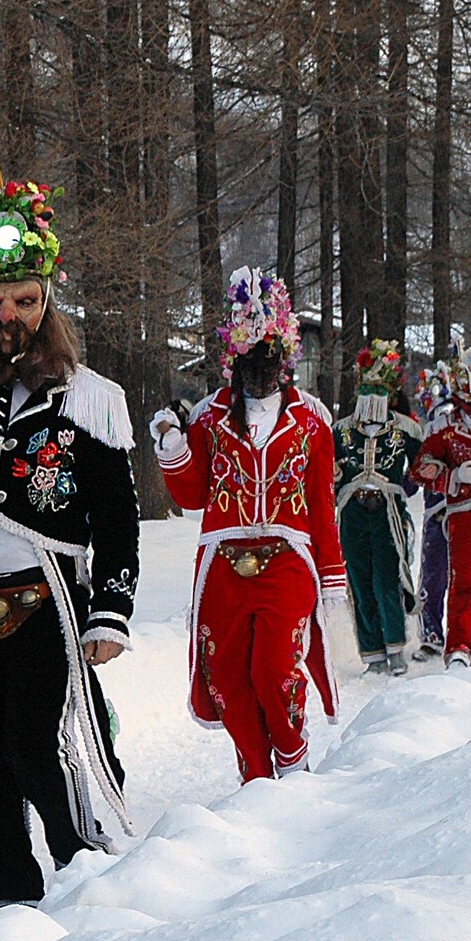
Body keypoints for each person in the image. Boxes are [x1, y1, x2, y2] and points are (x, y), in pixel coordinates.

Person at [0, 176, 137, 907]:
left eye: (23, 301)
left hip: (45, 600)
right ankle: (10, 901)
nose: (7, 316)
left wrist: (111, 611)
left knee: (36, 747)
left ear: (46, 305)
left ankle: (83, 873)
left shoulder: (89, 399)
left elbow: (117, 518)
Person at [154, 267, 344, 781]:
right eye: (249, 357)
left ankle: (293, 762)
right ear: (232, 359)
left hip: (288, 562)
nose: (259, 368)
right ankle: (257, 779)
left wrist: (331, 576)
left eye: (269, 356)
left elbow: (321, 503)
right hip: (222, 565)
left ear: (285, 358)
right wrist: (172, 445)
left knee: (274, 669)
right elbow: (191, 495)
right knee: (228, 678)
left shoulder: (311, 421)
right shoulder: (208, 418)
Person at [333, 339, 422, 674]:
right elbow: (325, 470)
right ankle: (372, 654)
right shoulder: (340, 430)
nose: (372, 396)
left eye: (379, 389)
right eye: (367, 388)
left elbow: (422, 467)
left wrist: (402, 488)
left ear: (391, 392)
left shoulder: (406, 428)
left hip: (387, 512)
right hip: (352, 512)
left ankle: (395, 647)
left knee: (387, 579)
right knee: (359, 581)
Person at [412, 347, 471, 668]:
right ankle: (457, 643)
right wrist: (453, 476)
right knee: (458, 580)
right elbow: (419, 470)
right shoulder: (445, 427)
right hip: (458, 512)